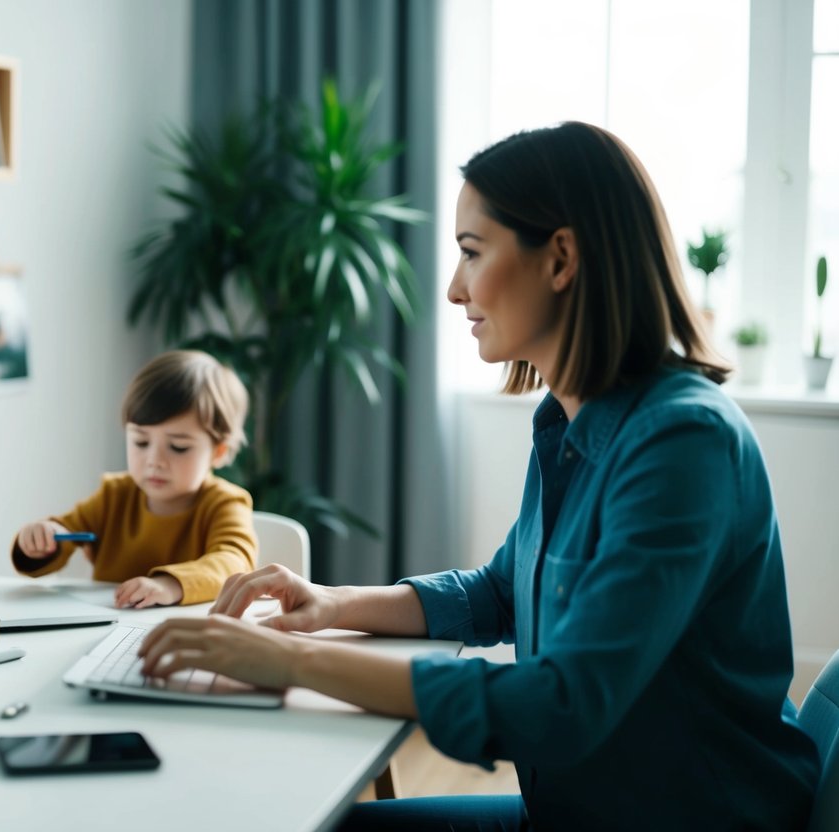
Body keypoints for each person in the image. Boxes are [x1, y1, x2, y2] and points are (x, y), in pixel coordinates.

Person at [138, 122, 820, 830]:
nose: (454, 289)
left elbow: (559, 704)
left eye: (471, 252)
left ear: (560, 258)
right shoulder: (568, 421)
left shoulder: (683, 443)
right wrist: (332, 604)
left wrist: (287, 660)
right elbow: (500, 592)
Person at [12, 350, 256, 608]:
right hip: (111, 636)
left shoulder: (225, 504)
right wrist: (43, 539)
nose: (154, 460)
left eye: (178, 447)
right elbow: (66, 531)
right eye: (141, 441)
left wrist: (169, 585)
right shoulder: (113, 495)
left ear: (218, 451)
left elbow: (234, 562)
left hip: (186, 637)